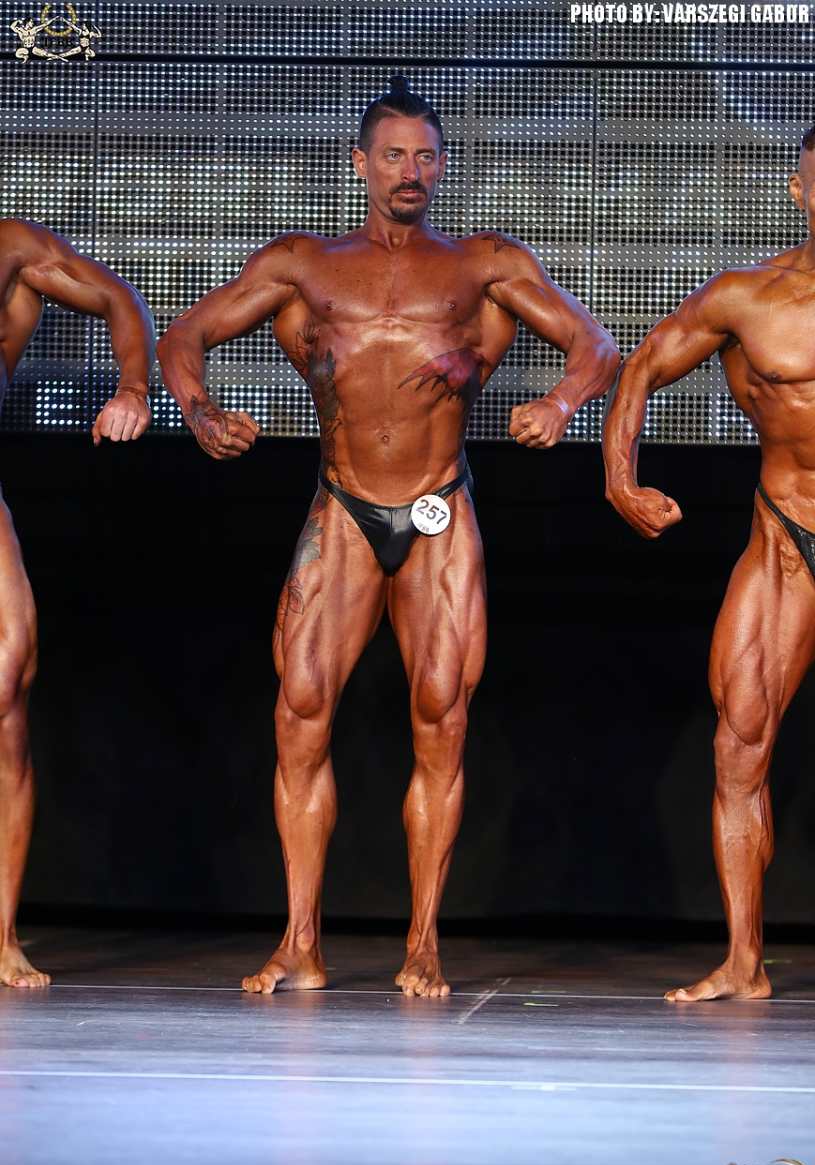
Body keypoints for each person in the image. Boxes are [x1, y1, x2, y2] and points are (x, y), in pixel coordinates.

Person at [158, 76, 619, 998]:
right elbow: (183, 336)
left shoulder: (482, 265)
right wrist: (200, 414)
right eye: (394, 155)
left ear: (442, 167)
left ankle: (422, 944)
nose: (411, 171)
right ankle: (300, 942)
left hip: (440, 507)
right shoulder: (304, 264)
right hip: (343, 507)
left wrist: (562, 403)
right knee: (299, 712)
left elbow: (595, 344)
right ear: (360, 164)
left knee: (441, 717)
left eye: (426, 156)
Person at [602, 125, 815, 1002]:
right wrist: (619, 478)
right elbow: (641, 367)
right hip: (786, 536)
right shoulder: (745, 298)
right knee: (738, 742)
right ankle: (742, 961)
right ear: (800, 191)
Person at [0, 219, 154, 987]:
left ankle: (1, 936)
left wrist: (133, 388)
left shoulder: (9, 250)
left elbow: (121, 300)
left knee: (7, 694)